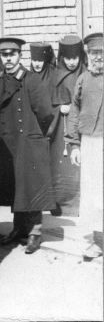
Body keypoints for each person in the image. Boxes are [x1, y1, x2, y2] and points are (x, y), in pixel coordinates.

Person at [0, 36, 54, 254]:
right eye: (4, 55)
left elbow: (45, 112)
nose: (8, 59)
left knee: (32, 186)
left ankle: (35, 231)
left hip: (28, 140)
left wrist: (34, 135)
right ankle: (19, 229)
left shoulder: (31, 79)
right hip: (7, 143)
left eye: (13, 55)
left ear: (20, 55)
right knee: (16, 187)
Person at [66, 32, 104, 260]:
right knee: (93, 196)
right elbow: (74, 111)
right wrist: (74, 145)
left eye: (101, 53)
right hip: (90, 144)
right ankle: (98, 242)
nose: (98, 57)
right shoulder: (82, 79)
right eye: (94, 53)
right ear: (87, 55)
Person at [49, 35, 85, 214]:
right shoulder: (54, 76)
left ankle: (79, 205)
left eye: (75, 57)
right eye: (68, 58)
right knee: (61, 168)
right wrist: (58, 108)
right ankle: (60, 205)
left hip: (81, 132)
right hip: (59, 132)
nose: (72, 62)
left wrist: (75, 108)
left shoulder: (86, 74)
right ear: (62, 57)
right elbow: (46, 104)